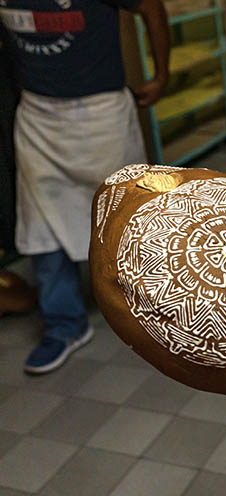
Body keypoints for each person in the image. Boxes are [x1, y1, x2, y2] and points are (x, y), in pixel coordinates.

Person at [0, 0, 170, 374]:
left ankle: (149, 313)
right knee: (41, 224)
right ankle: (65, 325)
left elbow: (151, 7)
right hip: (37, 113)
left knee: (127, 218)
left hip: (100, 111)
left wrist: (161, 75)